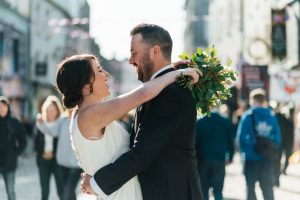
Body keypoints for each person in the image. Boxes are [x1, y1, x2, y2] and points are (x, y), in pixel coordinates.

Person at [77, 23, 203, 200]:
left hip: (171, 192)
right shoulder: (161, 89)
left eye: (134, 53)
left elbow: (143, 152)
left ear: (155, 51)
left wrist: (97, 183)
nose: (130, 60)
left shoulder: (171, 93)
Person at [237, 89, 281, 200]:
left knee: (250, 188)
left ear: (252, 100)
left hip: (251, 157)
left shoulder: (247, 116)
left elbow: (241, 138)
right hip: (267, 157)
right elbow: (278, 138)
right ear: (264, 100)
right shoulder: (272, 116)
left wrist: (244, 152)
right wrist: (270, 149)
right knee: (267, 188)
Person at [36, 106, 81, 200]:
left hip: (76, 165)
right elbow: (52, 132)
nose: (71, 108)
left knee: (68, 191)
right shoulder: (62, 120)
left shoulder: (81, 119)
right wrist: (41, 124)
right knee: (65, 192)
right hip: (62, 164)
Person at [195, 107, 235, 200]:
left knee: (203, 190)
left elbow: (194, 142)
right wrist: (231, 157)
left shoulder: (200, 122)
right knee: (218, 191)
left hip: (202, 159)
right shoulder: (225, 121)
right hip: (219, 159)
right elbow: (230, 142)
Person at [34, 96, 63, 200]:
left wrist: (53, 153)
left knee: (61, 191)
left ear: (57, 110)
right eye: (48, 110)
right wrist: (42, 154)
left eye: (52, 110)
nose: (50, 113)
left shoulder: (61, 124)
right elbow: (36, 144)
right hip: (43, 161)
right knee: (44, 192)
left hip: (57, 162)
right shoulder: (41, 125)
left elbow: (62, 144)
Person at [0, 96, 27, 200]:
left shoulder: (14, 122)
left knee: (10, 190)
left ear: (8, 107)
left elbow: (23, 140)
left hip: (9, 162)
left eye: (3, 106)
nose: (1, 108)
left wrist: (16, 153)